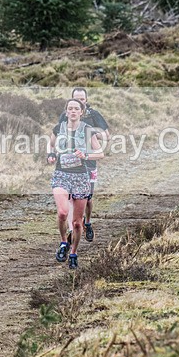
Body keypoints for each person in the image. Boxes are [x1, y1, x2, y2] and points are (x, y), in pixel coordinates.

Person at [47, 99, 104, 269]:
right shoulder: (59, 128)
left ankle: (73, 253)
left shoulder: (87, 130)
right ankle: (64, 242)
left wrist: (85, 155)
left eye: (76, 109)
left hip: (81, 177)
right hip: (61, 175)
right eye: (70, 108)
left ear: (81, 112)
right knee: (63, 213)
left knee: (77, 223)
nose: (73, 111)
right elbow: (50, 144)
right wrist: (50, 155)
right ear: (66, 112)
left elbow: (100, 153)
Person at [72, 87, 110, 243]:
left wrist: (91, 133)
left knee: (87, 197)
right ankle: (73, 226)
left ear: (86, 100)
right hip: (71, 163)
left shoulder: (93, 114)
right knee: (72, 196)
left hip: (89, 161)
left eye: (82, 99)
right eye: (76, 99)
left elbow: (106, 135)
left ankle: (87, 222)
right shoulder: (67, 114)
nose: (80, 102)